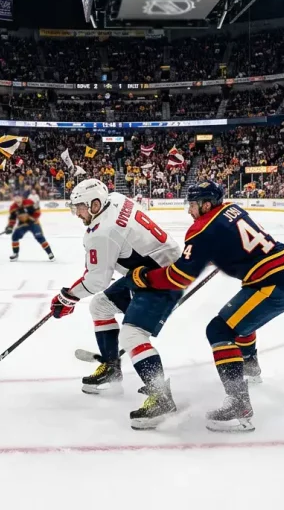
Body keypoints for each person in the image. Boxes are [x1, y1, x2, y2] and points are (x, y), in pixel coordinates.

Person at [135, 182, 284, 432]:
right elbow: (232, 240)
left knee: (219, 330)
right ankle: (250, 365)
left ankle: (239, 406)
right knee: (237, 320)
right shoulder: (231, 208)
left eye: (193, 205)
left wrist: (145, 278)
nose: (189, 211)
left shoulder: (201, 229)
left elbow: (178, 276)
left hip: (274, 285)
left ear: (206, 205)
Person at [50, 178, 183, 430]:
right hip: (157, 269)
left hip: (163, 280)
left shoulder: (102, 232)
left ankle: (161, 398)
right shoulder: (116, 199)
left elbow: (97, 280)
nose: (77, 214)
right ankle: (112, 367)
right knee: (100, 306)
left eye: (80, 208)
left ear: (95, 204)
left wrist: (67, 298)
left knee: (132, 334)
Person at [5, 190, 54, 261]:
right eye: (15, 197)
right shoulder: (13, 207)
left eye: (18, 197)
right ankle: (15, 254)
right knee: (14, 236)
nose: (17, 199)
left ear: (21, 197)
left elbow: (37, 211)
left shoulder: (29, 202)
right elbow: (12, 218)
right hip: (22, 224)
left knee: (39, 237)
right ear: (13, 198)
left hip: (33, 223)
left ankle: (50, 253)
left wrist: (33, 218)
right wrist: (10, 227)